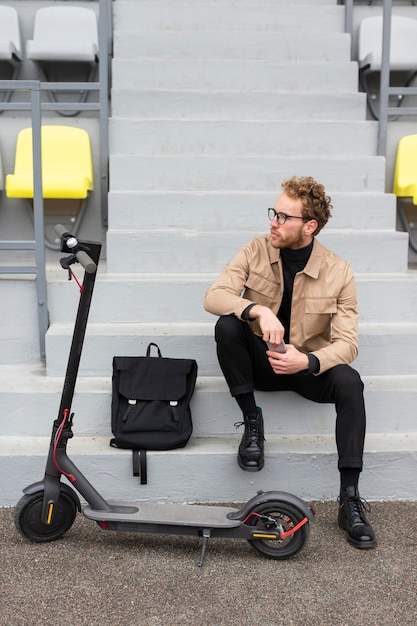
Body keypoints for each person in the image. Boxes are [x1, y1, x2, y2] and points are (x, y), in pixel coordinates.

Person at [203, 175, 376, 549]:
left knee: (350, 382)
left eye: (283, 217)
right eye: (274, 213)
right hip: (258, 362)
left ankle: (349, 498)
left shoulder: (338, 270)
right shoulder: (255, 250)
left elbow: (347, 344)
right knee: (227, 327)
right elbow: (214, 296)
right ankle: (252, 421)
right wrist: (257, 309)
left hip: (303, 370)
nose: (273, 222)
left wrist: (309, 361)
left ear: (309, 226)